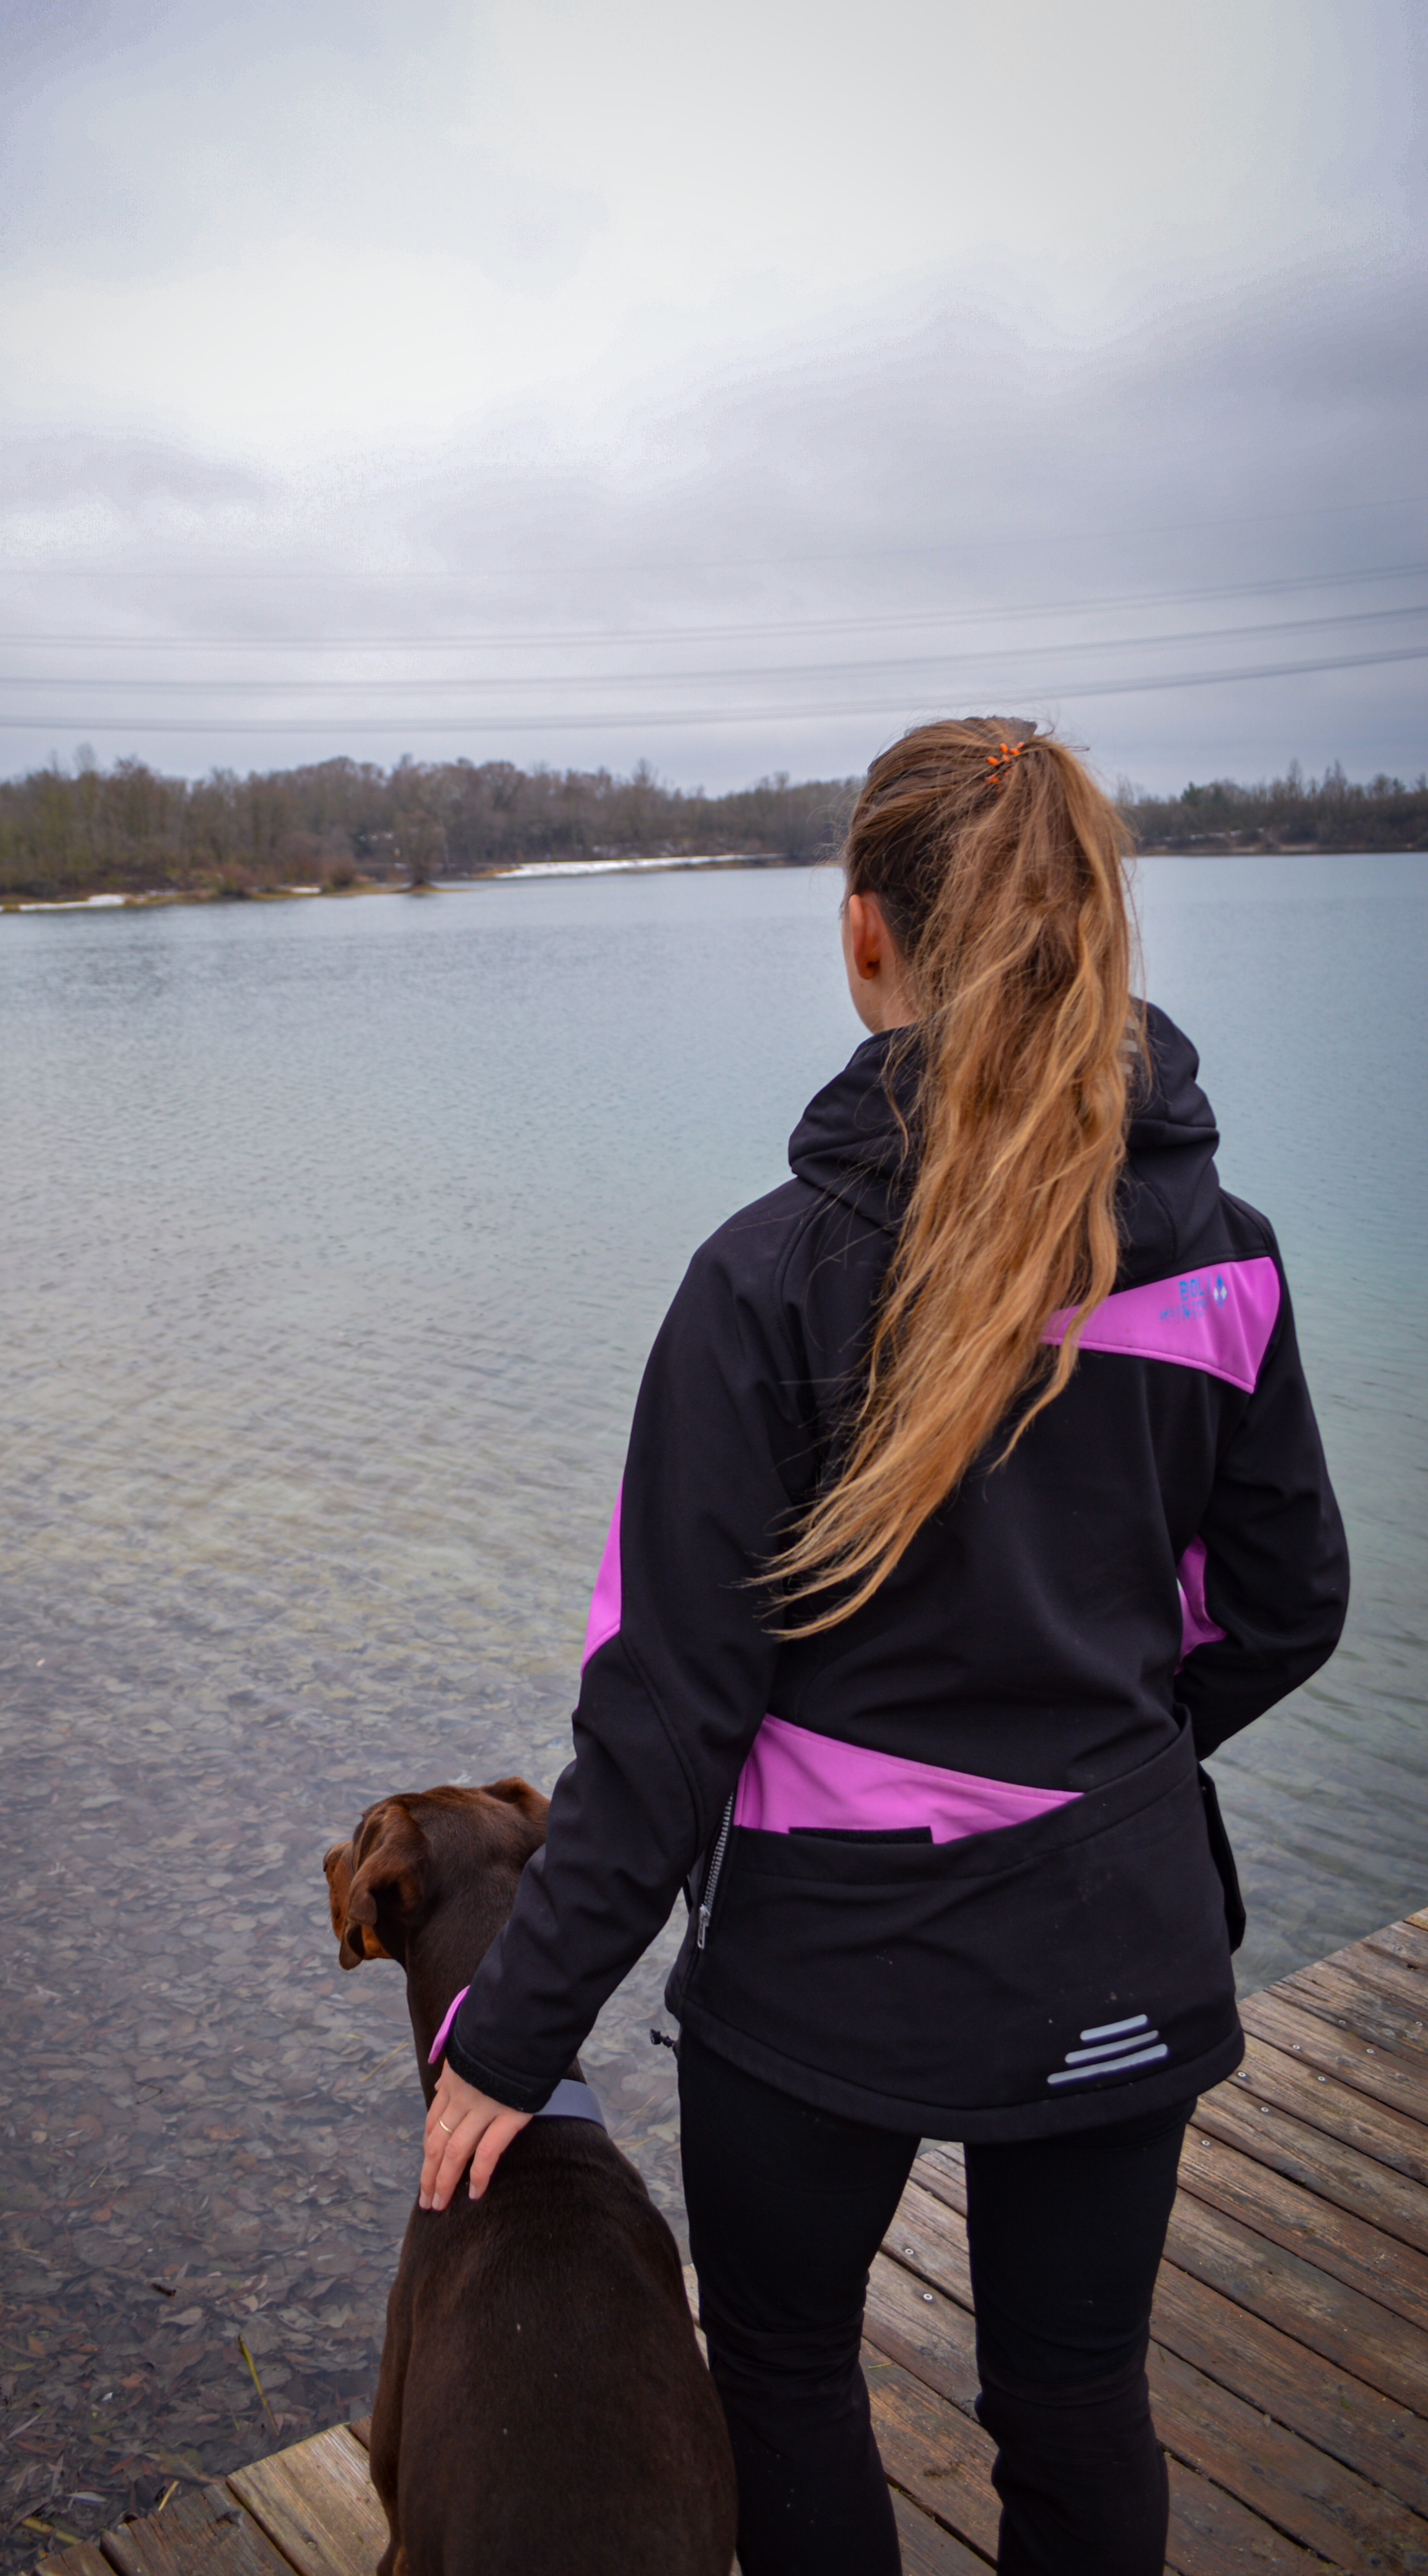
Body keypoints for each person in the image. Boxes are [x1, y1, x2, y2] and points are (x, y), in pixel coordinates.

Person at [416, 716, 1348, 2573]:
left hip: (824, 1973)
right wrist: (1116, 1761)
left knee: (783, 2370)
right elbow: (1285, 1606)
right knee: (1077, 2399)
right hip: (1116, 1930)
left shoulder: (766, 1280)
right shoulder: (1222, 1254)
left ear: (864, 941)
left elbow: (668, 1726)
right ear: (1095, 935)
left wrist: (506, 2039)